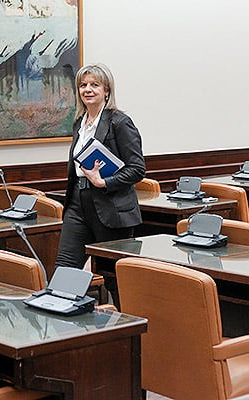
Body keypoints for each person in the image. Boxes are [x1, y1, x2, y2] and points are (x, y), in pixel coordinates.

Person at [55, 63, 145, 306]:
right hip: (77, 202)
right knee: (65, 268)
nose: (88, 90)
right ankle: (60, 328)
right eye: (83, 85)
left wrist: (104, 181)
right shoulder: (79, 122)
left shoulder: (119, 122)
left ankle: (128, 327)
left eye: (95, 85)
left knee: (114, 276)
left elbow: (137, 169)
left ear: (107, 90)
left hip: (111, 206)